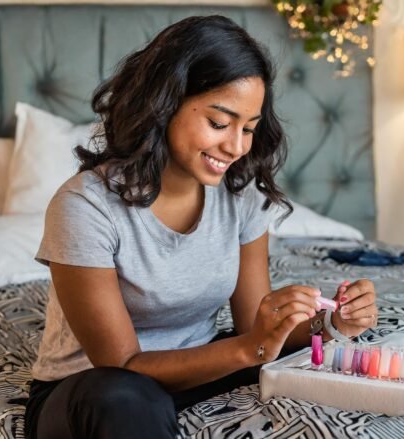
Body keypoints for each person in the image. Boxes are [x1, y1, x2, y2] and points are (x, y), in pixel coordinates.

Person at [24, 15, 378, 439]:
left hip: (204, 365)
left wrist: (334, 323)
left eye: (248, 128)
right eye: (218, 122)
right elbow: (124, 365)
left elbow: (254, 328)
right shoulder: (84, 206)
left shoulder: (240, 197)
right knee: (124, 396)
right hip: (93, 388)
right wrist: (249, 349)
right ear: (166, 102)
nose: (235, 146)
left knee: (327, 381)